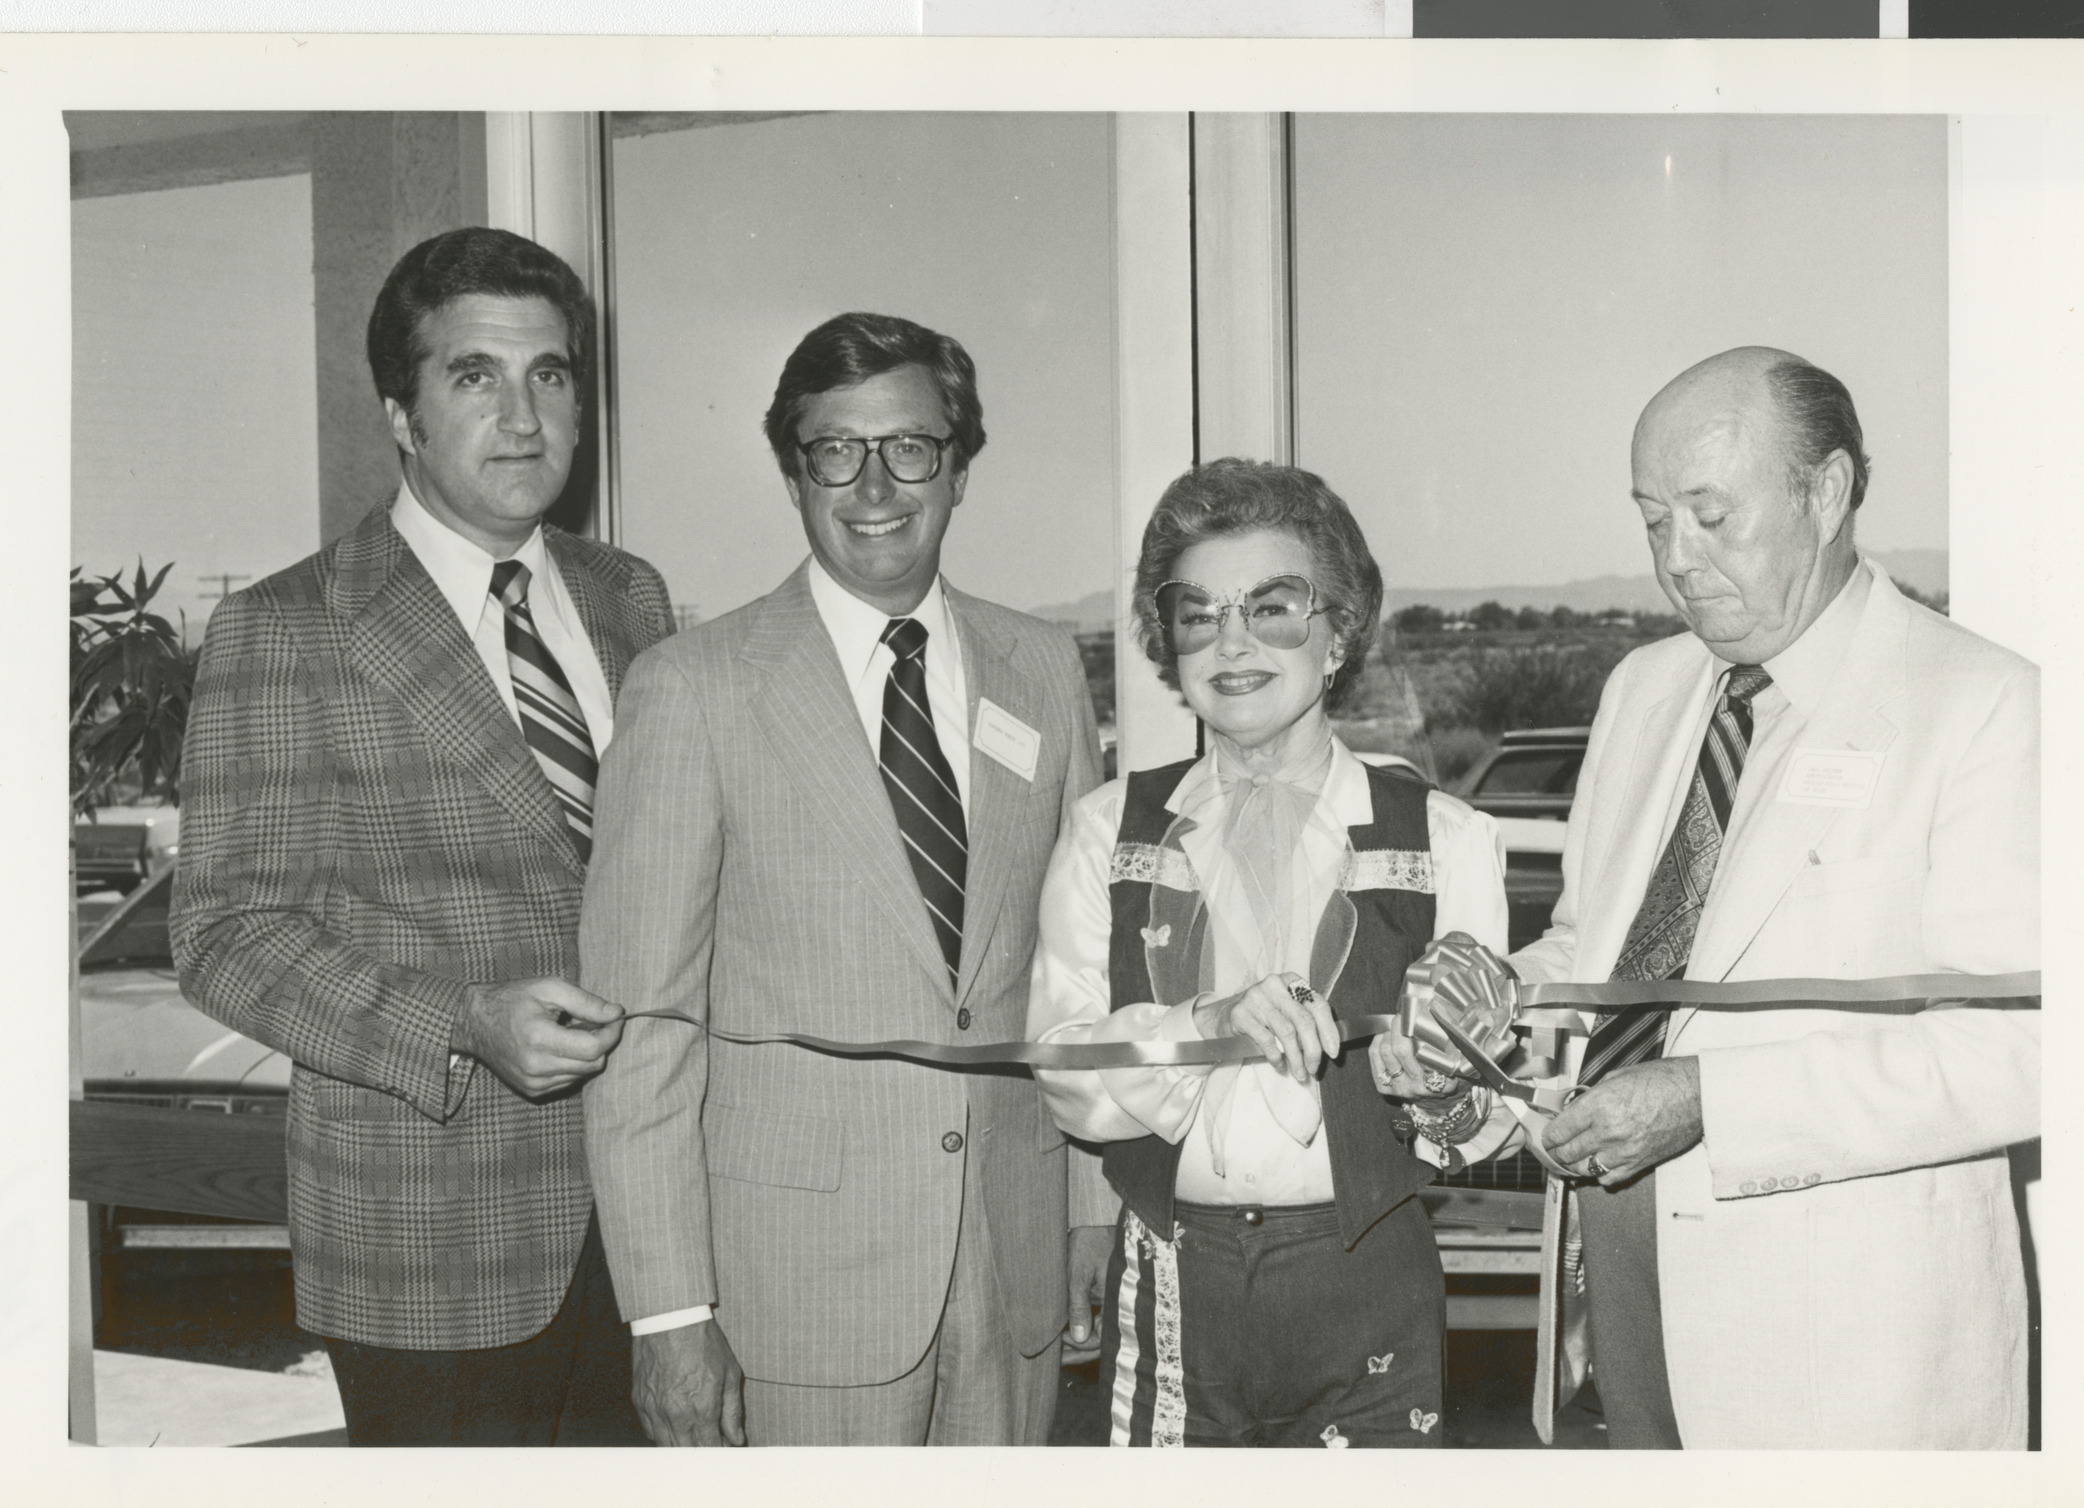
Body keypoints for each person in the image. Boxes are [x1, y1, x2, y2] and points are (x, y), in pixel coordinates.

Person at [172, 227, 672, 1446]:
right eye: (474, 376)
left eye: (549, 374)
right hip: (432, 1241)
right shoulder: (286, 627)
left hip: (657, 1217)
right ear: (401, 413)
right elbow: (226, 935)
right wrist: (459, 1021)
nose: (522, 415)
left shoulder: (629, 597)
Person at [579, 311, 1110, 1447]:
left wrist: (1085, 1222)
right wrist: (669, 1312)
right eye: (835, 449)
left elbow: (1080, 978)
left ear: (958, 467)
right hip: (792, 1291)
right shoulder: (693, 686)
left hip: (1011, 1261)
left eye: (910, 446)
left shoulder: (1045, 666)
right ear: (793, 470)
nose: (874, 482)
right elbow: (645, 1025)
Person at [1506, 347, 2038, 1447]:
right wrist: (1489, 1006)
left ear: (1828, 490)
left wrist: (1710, 1097)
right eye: (1652, 521)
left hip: (1847, 1353)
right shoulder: (1640, 690)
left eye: (1708, 514)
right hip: (1616, 1287)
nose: (1676, 561)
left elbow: (2024, 1051)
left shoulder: (1983, 704)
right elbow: (1587, 948)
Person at [1026, 458, 1512, 1448]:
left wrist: (1435, 1089)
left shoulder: (1446, 836)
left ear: (1337, 632)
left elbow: (1485, 1121)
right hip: (1171, 1271)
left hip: (1367, 1277)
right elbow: (1061, 1068)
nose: (1231, 641)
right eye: (1197, 612)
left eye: (1273, 606)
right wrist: (1201, 1024)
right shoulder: (1104, 825)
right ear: (1168, 643)